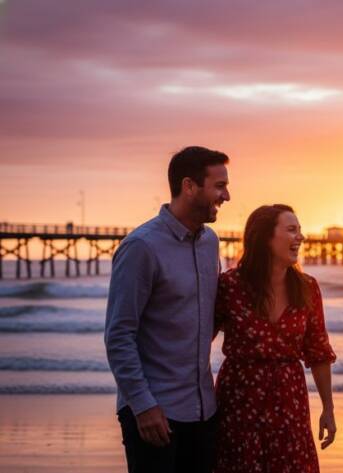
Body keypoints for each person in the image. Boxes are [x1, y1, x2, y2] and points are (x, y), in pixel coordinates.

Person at [104, 146, 231, 473]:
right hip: (155, 413)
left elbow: (207, 317)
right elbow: (119, 335)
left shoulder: (210, 242)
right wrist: (143, 405)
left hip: (203, 410)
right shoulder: (141, 247)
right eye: (219, 186)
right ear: (189, 186)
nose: (227, 195)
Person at [214, 204, 336, 473]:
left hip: (289, 400)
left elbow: (318, 351)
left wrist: (328, 408)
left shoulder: (307, 287)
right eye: (292, 230)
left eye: (300, 231)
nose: (300, 238)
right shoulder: (229, 286)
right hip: (239, 401)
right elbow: (198, 342)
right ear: (265, 237)